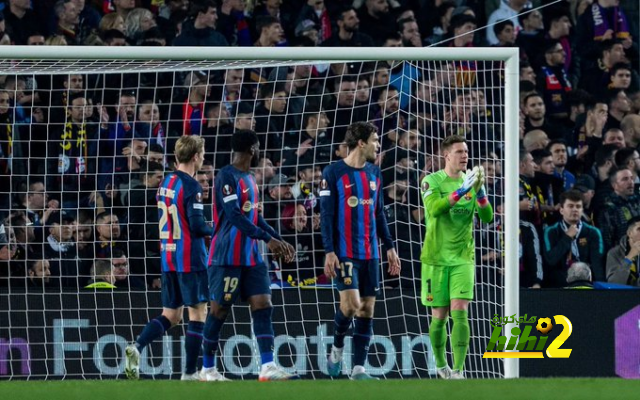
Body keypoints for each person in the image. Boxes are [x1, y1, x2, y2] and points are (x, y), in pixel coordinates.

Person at [202, 129, 297, 381]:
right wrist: (269, 239)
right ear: (253, 149)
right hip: (226, 257)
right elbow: (234, 216)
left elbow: (255, 216)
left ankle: (267, 366)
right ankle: (207, 369)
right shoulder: (226, 176)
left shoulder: (251, 178)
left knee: (263, 305)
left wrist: (277, 238)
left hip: (253, 257)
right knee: (219, 310)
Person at [124, 135, 213, 381]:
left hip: (169, 258)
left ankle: (137, 346)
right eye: (203, 153)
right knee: (197, 315)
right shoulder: (192, 186)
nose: (203, 157)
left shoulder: (166, 182)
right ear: (195, 156)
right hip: (190, 259)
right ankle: (190, 373)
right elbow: (196, 227)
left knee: (171, 316)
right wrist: (219, 227)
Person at [320, 122, 401, 380]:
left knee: (367, 309)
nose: (379, 145)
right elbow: (327, 215)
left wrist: (389, 246)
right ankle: (336, 347)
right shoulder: (333, 173)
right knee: (352, 305)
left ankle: (358, 369)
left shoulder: (375, 174)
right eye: (376, 140)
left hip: (371, 253)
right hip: (344, 253)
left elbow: (378, 214)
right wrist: (329, 251)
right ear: (362, 143)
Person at [420, 135, 494, 379]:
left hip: (463, 258)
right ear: (446, 155)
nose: (465, 155)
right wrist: (462, 191)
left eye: (466, 151)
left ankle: (459, 371)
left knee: (460, 310)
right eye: (459, 151)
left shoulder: (472, 182)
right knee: (439, 317)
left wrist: (480, 192)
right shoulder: (432, 181)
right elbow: (434, 209)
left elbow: (487, 218)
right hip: (435, 259)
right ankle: (441, 365)